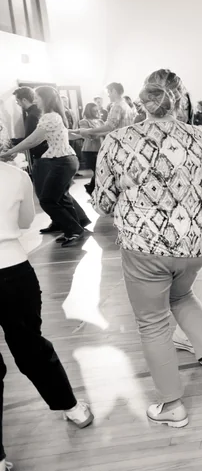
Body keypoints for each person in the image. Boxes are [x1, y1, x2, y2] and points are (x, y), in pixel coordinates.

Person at [94, 69, 202, 427]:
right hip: (195, 245)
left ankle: (172, 406)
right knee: (182, 297)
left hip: (145, 246)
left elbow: (103, 203)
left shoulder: (119, 140)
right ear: (180, 98)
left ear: (143, 101)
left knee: (153, 324)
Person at [0, 155, 94, 471]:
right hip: (12, 271)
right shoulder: (14, 176)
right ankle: (71, 406)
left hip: (13, 271)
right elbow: (26, 221)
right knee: (31, 347)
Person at [1, 87, 90, 247]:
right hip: (64, 160)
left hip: (60, 161)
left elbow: (32, 140)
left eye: (37, 97)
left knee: (48, 200)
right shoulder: (53, 116)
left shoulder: (48, 117)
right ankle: (74, 227)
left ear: (45, 99)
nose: (35, 100)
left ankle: (74, 230)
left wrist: (9, 151)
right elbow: (57, 134)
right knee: (61, 197)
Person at [78, 103, 104, 197]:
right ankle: (92, 189)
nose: (97, 112)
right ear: (89, 111)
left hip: (101, 149)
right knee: (97, 171)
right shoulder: (84, 122)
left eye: (98, 110)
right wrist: (104, 132)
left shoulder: (100, 121)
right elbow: (90, 135)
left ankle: (91, 188)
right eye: (94, 111)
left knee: (100, 171)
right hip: (90, 150)